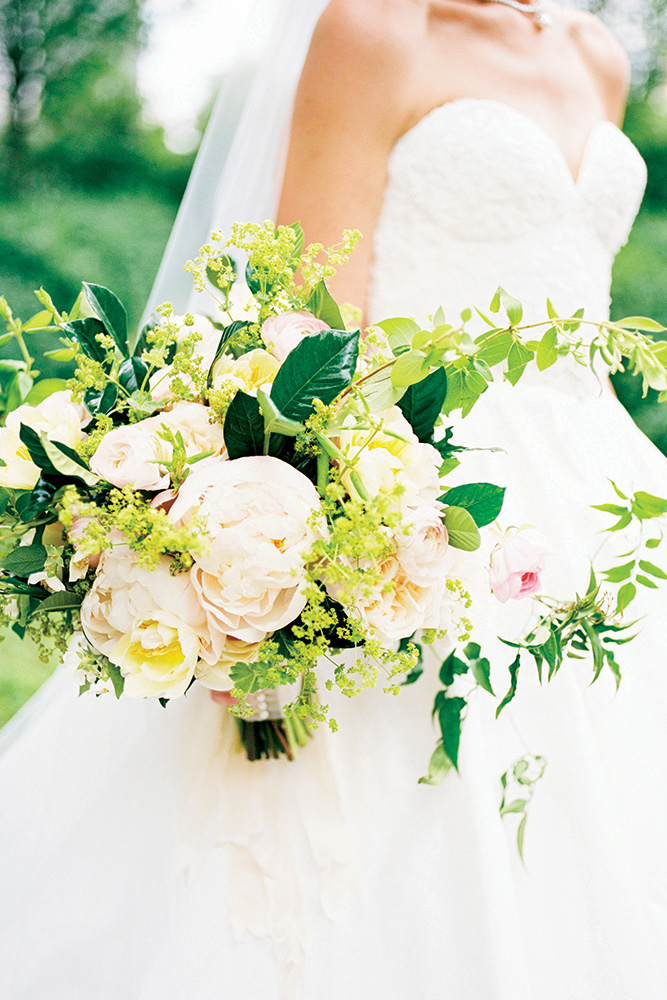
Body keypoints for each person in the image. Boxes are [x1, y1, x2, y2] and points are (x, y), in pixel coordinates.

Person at [1, 1, 666, 998]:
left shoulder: (596, 52)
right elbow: (305, 327)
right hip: (423, 483)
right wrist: (294, 557)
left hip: (597, 496)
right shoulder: (374, 30)